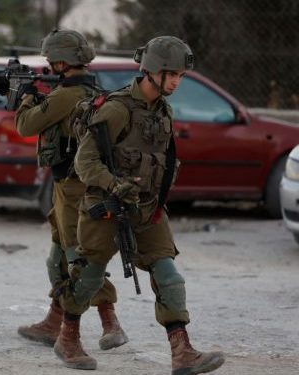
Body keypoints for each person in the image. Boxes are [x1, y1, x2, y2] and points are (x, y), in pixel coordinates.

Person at [71, 36, 225, 374]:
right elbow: (85, 163)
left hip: (147, 208)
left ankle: (182, 352)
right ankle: (68, 337)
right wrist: (114, 184)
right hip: (107, 205)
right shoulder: (116, 109)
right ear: (152, 71)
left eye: (181, 76)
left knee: (169, 276)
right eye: (173, 75)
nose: (177, 82)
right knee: (89, 278)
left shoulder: (162, 110)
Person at [0, 29, 129, 370]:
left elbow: (26, 124)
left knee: (78, 258)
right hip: (73, 185)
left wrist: (25, 97)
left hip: (74, 188)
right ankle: (54, 321)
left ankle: (108, 322)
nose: (48, 64)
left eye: (51, 61)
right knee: (58, 257)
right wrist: (14, 88)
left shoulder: (68, 95)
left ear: (63, 62)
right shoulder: (88, 89)